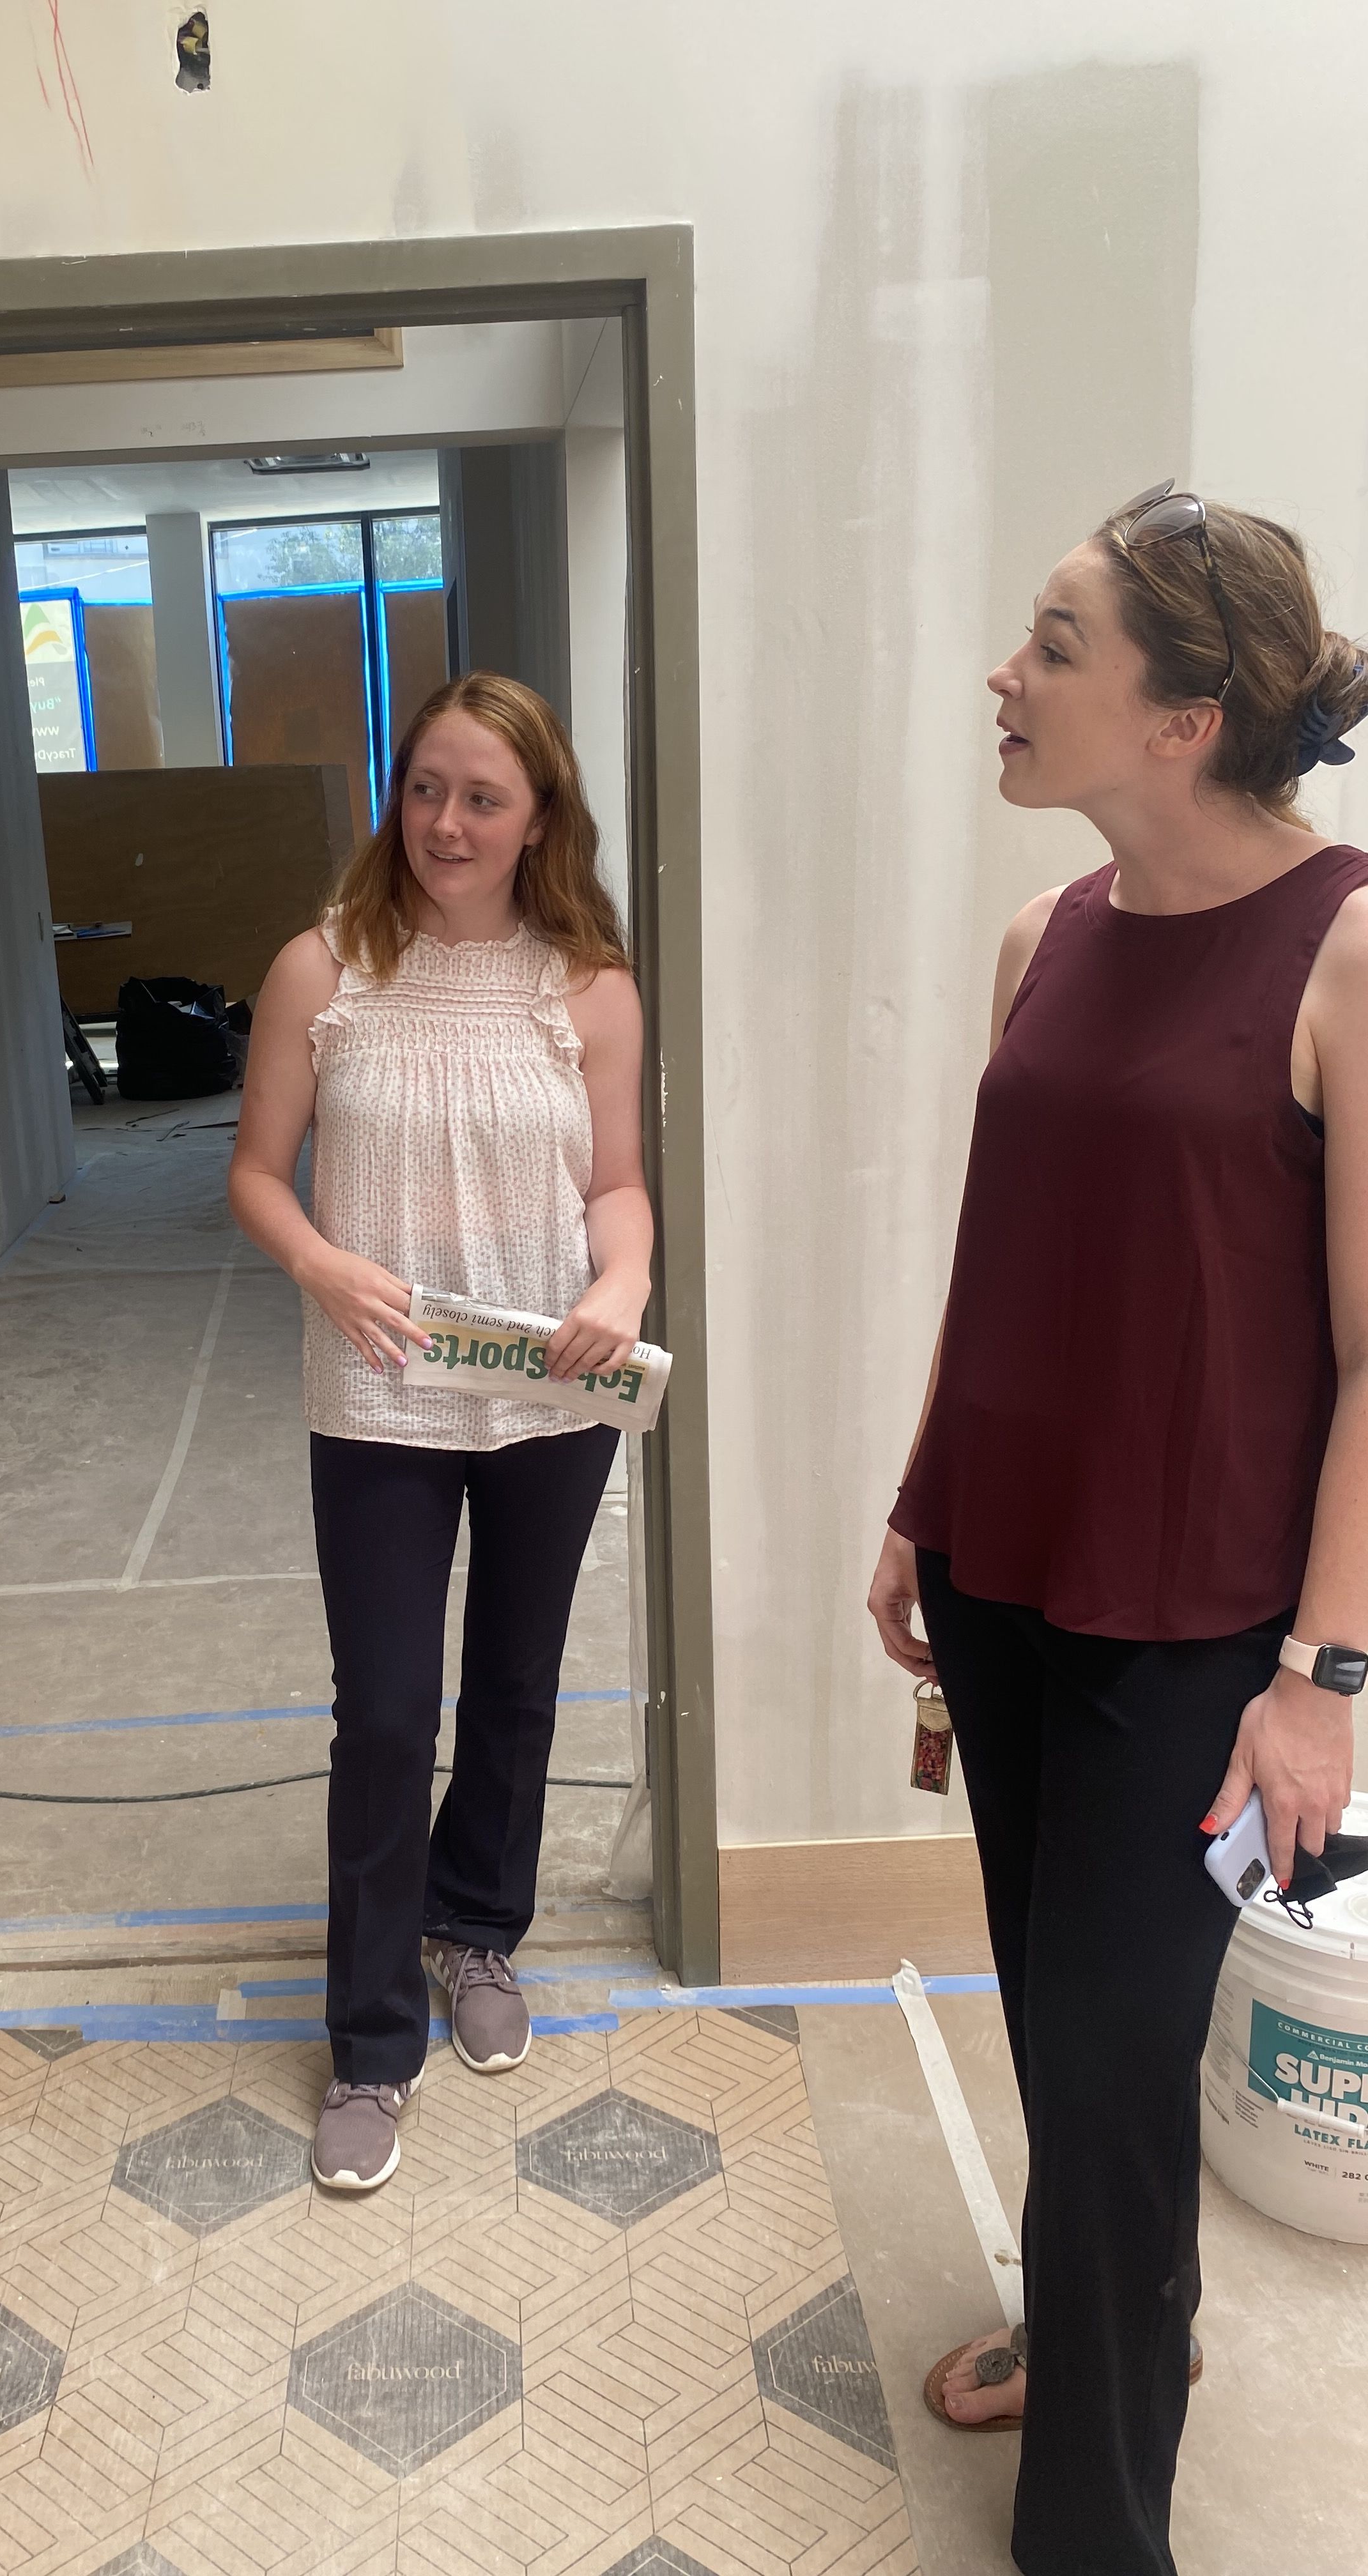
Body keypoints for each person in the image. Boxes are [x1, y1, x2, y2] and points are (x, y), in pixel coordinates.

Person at [867, 488, 1368, 2575]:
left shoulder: (1346, 949)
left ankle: (1093, 2525)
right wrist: (916, 1501)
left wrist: (1324, 1680)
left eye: (1051, 642)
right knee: (1057, 2013)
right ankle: (1101, 2328)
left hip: (1204, 1628)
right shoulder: (1043, 937)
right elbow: (1009, 1267)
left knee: (1120, 2050)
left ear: (1185, 711)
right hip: (1002, 1569)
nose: (1003, 671)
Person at [230, 671, 652, 2191]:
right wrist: (319, 1260)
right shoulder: (323, 972)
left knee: (518, 1686)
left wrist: (628, 1272)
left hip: (548, 1384)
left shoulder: (587, 984)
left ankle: (477, 1927)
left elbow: (614, 1180)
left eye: (483, 797)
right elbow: (259, 1172)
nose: (447, 824)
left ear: (540, 814)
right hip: (380, 1394)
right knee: (392, 1711)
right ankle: (369, 2037)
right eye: (426, 790)